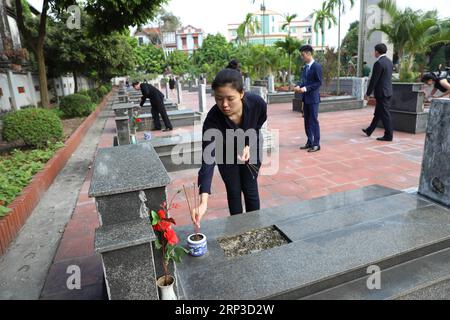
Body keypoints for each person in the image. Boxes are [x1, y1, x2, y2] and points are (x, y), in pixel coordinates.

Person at [191, 69, 267, 227]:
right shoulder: (212, 121)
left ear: (241, 94)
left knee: (250, 187)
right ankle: (238, 228)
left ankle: (255, 227)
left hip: (252, 147)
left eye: (230, 98)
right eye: (219, 99)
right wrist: (203, 202)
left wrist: (248, 144)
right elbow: (208, 161)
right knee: (233, 191)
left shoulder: (257, 103)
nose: (224, 105)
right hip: (225, 154)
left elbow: (260, 120)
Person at [294, 45, 323, 153]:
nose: (302, 57)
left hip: (313, 99)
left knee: (314, 121)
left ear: (309, 54)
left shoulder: (316, 66)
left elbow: (318, 82)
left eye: (303, 55)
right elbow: (303, 80)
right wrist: (299, 86)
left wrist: (305, 88)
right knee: (307, 121)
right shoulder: (306, 67)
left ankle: (316, 144)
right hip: (305, 99)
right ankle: (309, 141)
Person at [363, 43, 394, 142]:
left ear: (377, 51)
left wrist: (367, 93)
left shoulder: (379, 63)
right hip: (388, 91)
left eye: (374, 51)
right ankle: (369, 130)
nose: (374, 53)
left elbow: (374, 80)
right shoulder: (389, 62)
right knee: (378, 113)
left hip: (382, 93)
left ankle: (388, 135)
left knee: (385, 114)